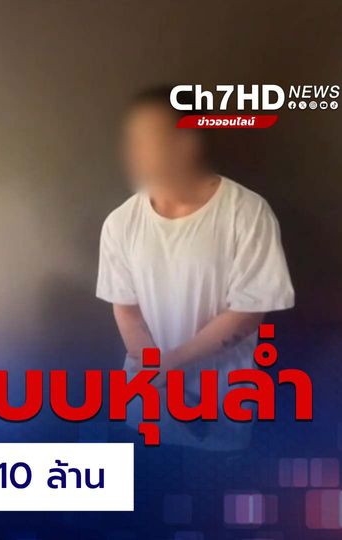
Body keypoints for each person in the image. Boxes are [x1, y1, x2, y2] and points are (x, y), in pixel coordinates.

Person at [96, 87, 295, 449]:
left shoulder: (247, 212)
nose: (134, 152)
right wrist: (155, 374)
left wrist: (171, 367)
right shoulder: (120, 222)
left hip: (221, 413)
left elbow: (248, 311)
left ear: (186, 142)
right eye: (131, 140)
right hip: (145, 412)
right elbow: (126, 309)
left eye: (148, 138)